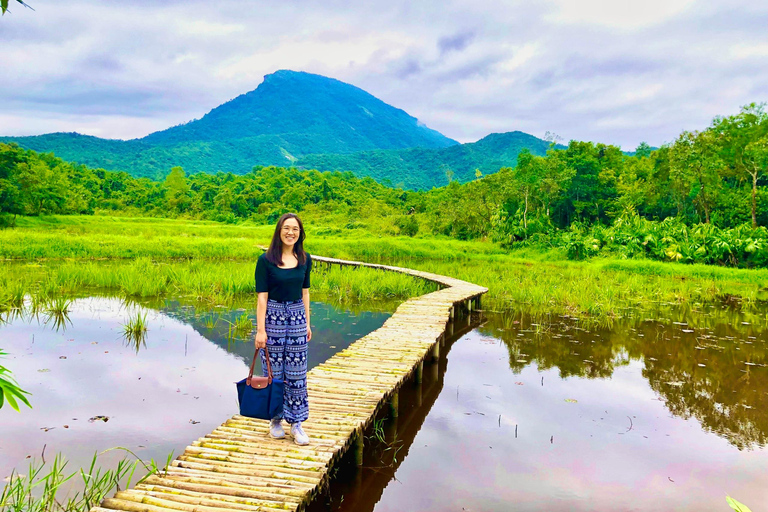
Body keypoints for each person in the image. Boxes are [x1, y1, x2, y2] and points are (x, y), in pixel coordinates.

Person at [254, 213, 312, 445]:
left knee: (297, 372)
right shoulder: (265, 260)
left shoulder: (305, 258)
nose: (291, 232)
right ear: (279, 231)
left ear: (300, 233)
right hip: (272, 318)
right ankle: (275, 420)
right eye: (287, 228)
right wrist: (260, 330)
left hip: (297, 317)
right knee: (274, 371)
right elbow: (262, 298)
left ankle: (296, 423)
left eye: (295, 229)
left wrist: (307, 322)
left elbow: (305, 292)